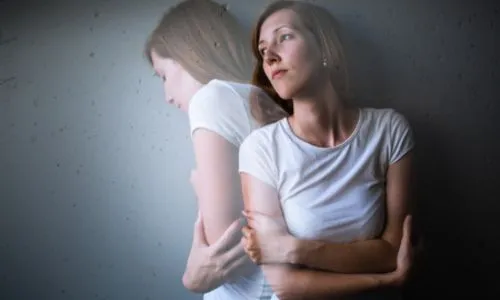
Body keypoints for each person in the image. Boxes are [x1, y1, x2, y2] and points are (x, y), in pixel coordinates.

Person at [238, 1, 416, 299]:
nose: (269, 57)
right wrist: (385, 281)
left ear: (323, 47)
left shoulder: (388, 131)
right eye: (262, 49)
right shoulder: (260, 149)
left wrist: (294, 249)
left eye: (284, 37)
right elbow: (284, 285)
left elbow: (393, 249)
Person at [143, 0, 287, 299]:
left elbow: (226, 251)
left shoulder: (211, 99)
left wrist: (191, 280)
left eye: (164, 76)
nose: (167, 97)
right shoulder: (263, 101)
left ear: (188, 55)